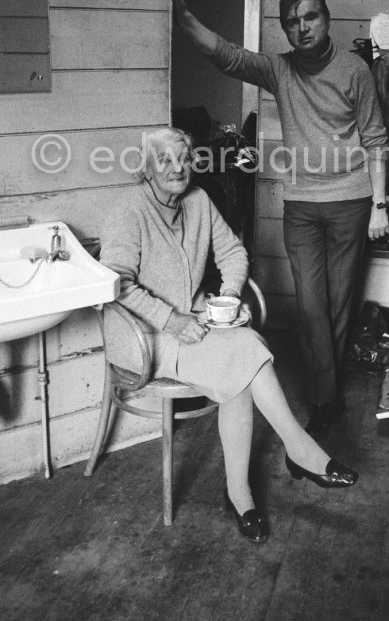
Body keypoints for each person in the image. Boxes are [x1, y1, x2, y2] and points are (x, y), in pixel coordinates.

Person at [99, 127, 358, 544]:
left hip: (196, 320)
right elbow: (117, 283)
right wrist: (171, 320)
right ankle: (299, 451)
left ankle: (242, 494)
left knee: (239, 365)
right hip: (145, 334)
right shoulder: (128, 209)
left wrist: (230, 297)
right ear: (145, 168)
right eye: (164, 160)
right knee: (244, 352)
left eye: (183, 158)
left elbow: (234, 253)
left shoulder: (198, 201)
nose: (177, 168)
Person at [168, 0, 389, 435]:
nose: (302, 27)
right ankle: (326, 398)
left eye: (310, 17)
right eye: (293, 22)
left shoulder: (355, 71)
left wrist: (382, 205)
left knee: (339, 301)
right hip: (302, 206)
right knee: (311, 305)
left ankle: (325, 395)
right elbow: (227, 55)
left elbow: (375, 140)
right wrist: (184, 15)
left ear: (326, 19)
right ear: (286, 31)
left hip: (352, 201)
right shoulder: (279, 70)